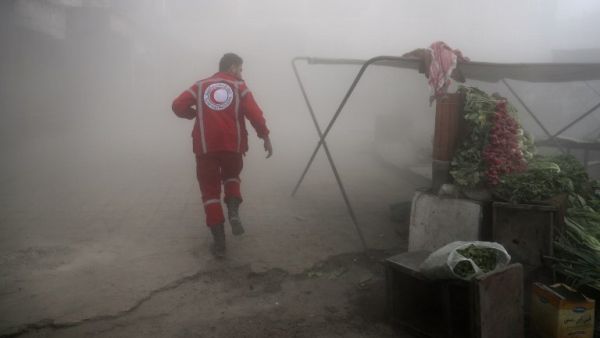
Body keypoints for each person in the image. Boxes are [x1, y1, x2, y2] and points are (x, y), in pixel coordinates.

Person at [171, 53, 272, 258]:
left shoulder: (200, 86)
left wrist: (193, 114)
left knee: (210, 192)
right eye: (241, 69)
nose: (242, 73)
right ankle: (233, 212)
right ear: (233, 67)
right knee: (232, 177)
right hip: (232, 146)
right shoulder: (240, 87)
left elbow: (177, 106)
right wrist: (265, 136)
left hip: (206, 147)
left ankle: (219, 243)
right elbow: (255, 114)